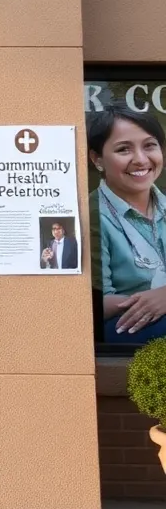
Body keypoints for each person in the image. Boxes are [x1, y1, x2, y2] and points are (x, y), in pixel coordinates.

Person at [88, 104, 166, 343]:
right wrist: (153, 300)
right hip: (124, 328)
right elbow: (91, 303)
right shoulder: (90, 215)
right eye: (124, 149)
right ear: (97, 159)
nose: (141, 160)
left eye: (149, 146)